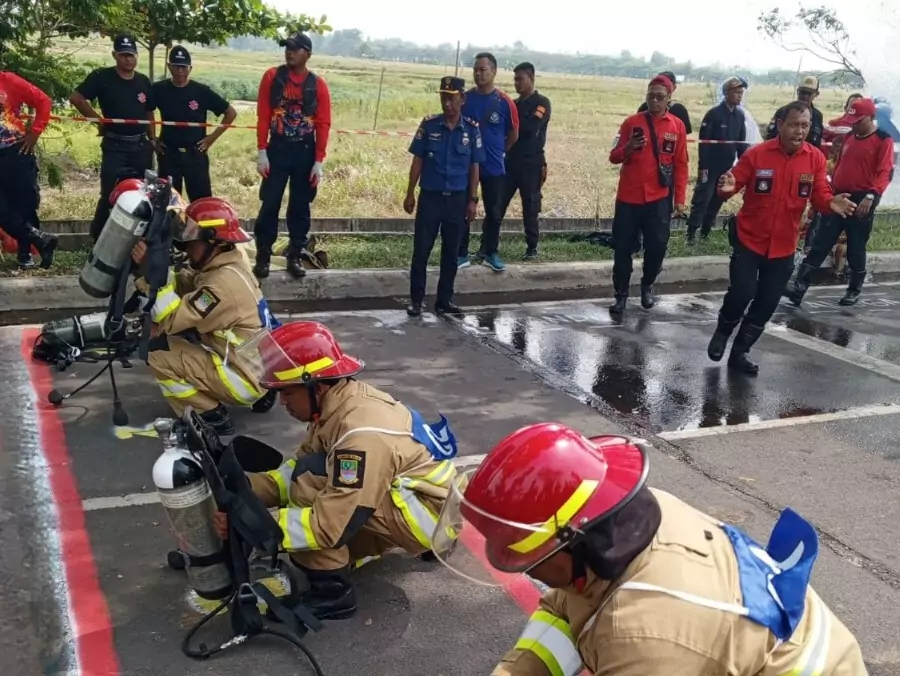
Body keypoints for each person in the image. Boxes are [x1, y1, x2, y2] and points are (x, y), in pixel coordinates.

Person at [432, 422, 867, 675]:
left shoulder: (644, 634)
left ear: (576, 542)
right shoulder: (625, 524)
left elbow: (630, 632)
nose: (525, 569)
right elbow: (567, 608)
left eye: (532, 559)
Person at [230, 320, 459, 619]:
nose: (282, 401)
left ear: (317, 385)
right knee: (311, 476)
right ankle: (351, 554)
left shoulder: (359, 436)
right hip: (426, 505)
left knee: (311, 493)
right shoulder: (338, 403)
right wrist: (247, 490)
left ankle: (332, 595)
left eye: (287, 392)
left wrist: (253, 525)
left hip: (429, 521)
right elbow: (297, 468)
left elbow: (327, 524)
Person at [706, 101, 857, 375]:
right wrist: (726, 188)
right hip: (750, 239)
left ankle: (740, 352)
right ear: (780, 125)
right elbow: (733, 183)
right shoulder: (757, 155)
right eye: (794, 124)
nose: (799, 131)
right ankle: (722, 332)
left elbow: (821, 196)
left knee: (767, 302)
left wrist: (830, 202)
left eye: (805, 125)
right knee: (742, 292)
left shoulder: (815, 159)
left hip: (784, 246)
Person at [132, 196, 279, 435]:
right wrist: (153, 268)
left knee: (157, 350)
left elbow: (171, 321)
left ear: (214, 242)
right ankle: (261, 392)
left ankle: (208, 415)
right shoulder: (229, 266)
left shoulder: (221, 286)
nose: (187, 246)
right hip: (260, 367)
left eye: (193, 240)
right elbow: (187, 285)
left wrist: (151, 276)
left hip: (244, 378)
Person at [786, 98, 895, 307]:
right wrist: (830, 192)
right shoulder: (849, 138)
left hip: (863, 199)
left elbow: (884, 172)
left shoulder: (883, 140)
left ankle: (854, 289)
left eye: (858, 120)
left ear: (871, 117)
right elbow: (839, 166)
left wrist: (872, 196)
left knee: (855, 246)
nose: (853, 124)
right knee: (821, 243)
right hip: (838, 197)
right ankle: (799, 286)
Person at [254, 32, 332, 281]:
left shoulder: (317, 85)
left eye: (295, 49)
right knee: (270, 202)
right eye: (287, 47)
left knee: (300, 206)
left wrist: (319, 160)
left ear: (307, 54)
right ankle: (263, 256)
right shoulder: (272, 77)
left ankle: (295, 255)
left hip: (305, 152)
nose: (289, 52)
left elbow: (323, 123)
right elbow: (264, 115)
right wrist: (261, 151)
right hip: (277, 148)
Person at [607, 75, 688, 314]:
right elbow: (614, 156)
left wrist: (680, 199)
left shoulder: (677, 126)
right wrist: (629, 147)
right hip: (629, 198)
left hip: (658, 199)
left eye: (659, 97)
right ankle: (620, 295)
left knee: (658, 247)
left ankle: (647, 285)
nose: (654, 100)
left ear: (669, 99)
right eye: (650, 95)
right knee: (622, 249)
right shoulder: (631, 123)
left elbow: (681, 164)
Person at [404, 76, 483, 317]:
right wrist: (409, 193)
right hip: (430, 198)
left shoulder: (471, 129)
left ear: (462, 99)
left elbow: (474, 167)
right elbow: (418, 160)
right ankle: (416, 300)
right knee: (422, 251)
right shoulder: (429, 125)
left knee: (451, 253)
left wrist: (473, 200)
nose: (447, 103)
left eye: (451, 98)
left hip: (457, 201)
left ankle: (444, 301)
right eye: (443, 97)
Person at [70, 34, 156, 241]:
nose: (128, 59)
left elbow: (149, 112)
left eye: (132, 55)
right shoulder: (102, 77)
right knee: (109, 193)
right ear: (114, 55)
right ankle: (98, 238)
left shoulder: (143, 81)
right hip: (114, 144)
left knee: (143, 193)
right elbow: (76, 98)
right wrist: (97, 120)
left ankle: (139, 239)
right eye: (124, 55)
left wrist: (153, 138)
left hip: (141, 146)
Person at [458, 52, 519, 272]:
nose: (478, 73)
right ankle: (461, 253)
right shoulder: (465, 99)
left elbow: (513, 134)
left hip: (494, 167)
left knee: (494, 212)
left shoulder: (505, 102)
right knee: (464, 209)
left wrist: (500, 150)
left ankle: (490, 252)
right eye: (475, 69)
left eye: (483, 69)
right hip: (467, 167)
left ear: (493, 71)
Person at [152, 46, 237, 201]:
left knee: (202, 203)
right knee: (167, 203)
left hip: (195, 154)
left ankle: (199, 227)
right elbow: (146, 111)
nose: (180, 71)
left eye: (183, 67)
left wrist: (212, 138)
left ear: (190, 68)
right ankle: (173, 226)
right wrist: (152, 138)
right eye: (176, 66)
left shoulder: (201, 91)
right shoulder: (159, 89)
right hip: (168, 154)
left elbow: (230, 113)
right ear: (169, 66)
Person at [0, 71, 58, 269]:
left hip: (16, 152)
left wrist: (35, 132)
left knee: (25, 204)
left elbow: (44, 101)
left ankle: (26, 254)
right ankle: (42, 240)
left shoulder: (9, 81)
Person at [686, 76, 748, 244]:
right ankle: (691, 235)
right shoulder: (714, 114)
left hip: (726, 168)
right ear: (726, 93)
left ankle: (705, 234)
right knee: (702, 199)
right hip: (710, 167)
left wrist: (744, 166)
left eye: (741, 92)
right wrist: (703, 167)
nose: (739, 95)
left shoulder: (740, 116)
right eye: (736, 92)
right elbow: (704, 144)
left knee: (717, 200)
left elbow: (741, 144)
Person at [499, 62, 551, 261]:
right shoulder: (513, 104)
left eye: (520, 79)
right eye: (515, 79)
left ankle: (532, 248)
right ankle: (488, 246)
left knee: (530, 206)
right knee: (498, 205)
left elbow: (530, 128)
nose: (516, 83)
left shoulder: (542, 103)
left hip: (532, 163)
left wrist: (514, 125)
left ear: (531, 78)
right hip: (511, 161)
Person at [765, 76, 825, 149]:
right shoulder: (783, 111)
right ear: (798, 92)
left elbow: (817, 143)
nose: (805, 96)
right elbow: (770, 139)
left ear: (816, 94)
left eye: (809, 93)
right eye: (803, 92)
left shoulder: (818, 116)